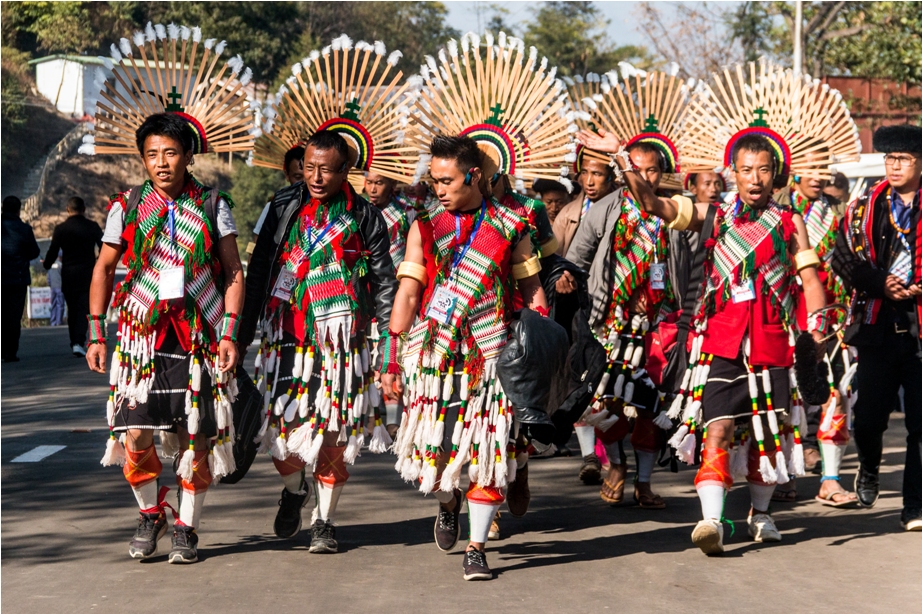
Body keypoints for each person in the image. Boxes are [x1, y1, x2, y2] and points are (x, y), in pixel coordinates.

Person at [82, 25, 254, 565]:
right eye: (153, 153)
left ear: (189, 155)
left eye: (171, 152)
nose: (162, 162)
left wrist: (229, 333)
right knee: (136, 437)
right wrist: (94, 331)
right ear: (142, 157)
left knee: (195, 437)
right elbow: (105, 267)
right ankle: (150, 512)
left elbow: (231, 271)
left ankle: (186, 526)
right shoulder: (127, 205)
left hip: (199, 336)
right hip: (138, 336)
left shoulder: (211, 204)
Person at [240, 35, 417, 551]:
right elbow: (258, 274)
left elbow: (385, 280)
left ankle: (325, 521)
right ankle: (294, 490)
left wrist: (389, 347)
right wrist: (240, 332)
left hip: (342, 344)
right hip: (286, 340)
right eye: (310, 168)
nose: (316, 177)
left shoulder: (366, 217)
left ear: (347, 171)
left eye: (328, 169)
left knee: (335, 432)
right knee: (280, 436)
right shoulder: (282, 207)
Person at [389, 135, 549, 580]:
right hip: (436, 354)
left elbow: (532, 291)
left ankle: (476, 547)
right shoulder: (423, 226)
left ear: (473, 176)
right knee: (436, 452)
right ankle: (447, 503)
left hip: (492, 351)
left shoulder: (512, 224)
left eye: (447, 181)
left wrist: (537, 339)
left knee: (488, 449)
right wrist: (391, 357)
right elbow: (408, 291)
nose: (438, 189)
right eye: (433, 180)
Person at [563, 67, 692, 508]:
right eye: (636, 169)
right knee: (608, 399)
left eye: (651, 171)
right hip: (608, 319)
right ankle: (614, 463)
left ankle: (644, 481)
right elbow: (578, 256)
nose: (645, 177)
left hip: (659, 323)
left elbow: (688, 269)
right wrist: (567, 292)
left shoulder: (674, 211)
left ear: (662, 173)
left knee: (653, 404)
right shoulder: (606, 206)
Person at [832, 124, 922, 532]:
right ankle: (868, 467)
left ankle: (914, 506)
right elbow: (842, 259)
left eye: (903, 159)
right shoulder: (863, 208)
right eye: (890, 159)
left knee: (920, 424)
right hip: (877, 325)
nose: (895, 166)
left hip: (920, 328)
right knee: (868, 418)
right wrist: (878, 282)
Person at [42, 196, 103, 356]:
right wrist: (99, 262)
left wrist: (47, 264)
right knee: (84, 308)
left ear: (68, 210)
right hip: (88, 274)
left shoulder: (61, 229)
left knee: (72, 309)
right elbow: (104, 246)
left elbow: (53, 250)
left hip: (68, 275)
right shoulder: (92, 226)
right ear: (84, 210)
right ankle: (78, 341)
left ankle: (75, 342)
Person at [1, 195, 41, 362]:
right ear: (19, 210)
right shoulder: (24, 229)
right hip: (18, 278)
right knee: (14, 316)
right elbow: (35, 252)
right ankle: (10, 351)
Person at [249, 144, 305, 249]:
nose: (303, 182)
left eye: (307, 176)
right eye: (297, 177)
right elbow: (257, 244)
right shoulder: (275, 206)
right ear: (287, 175)